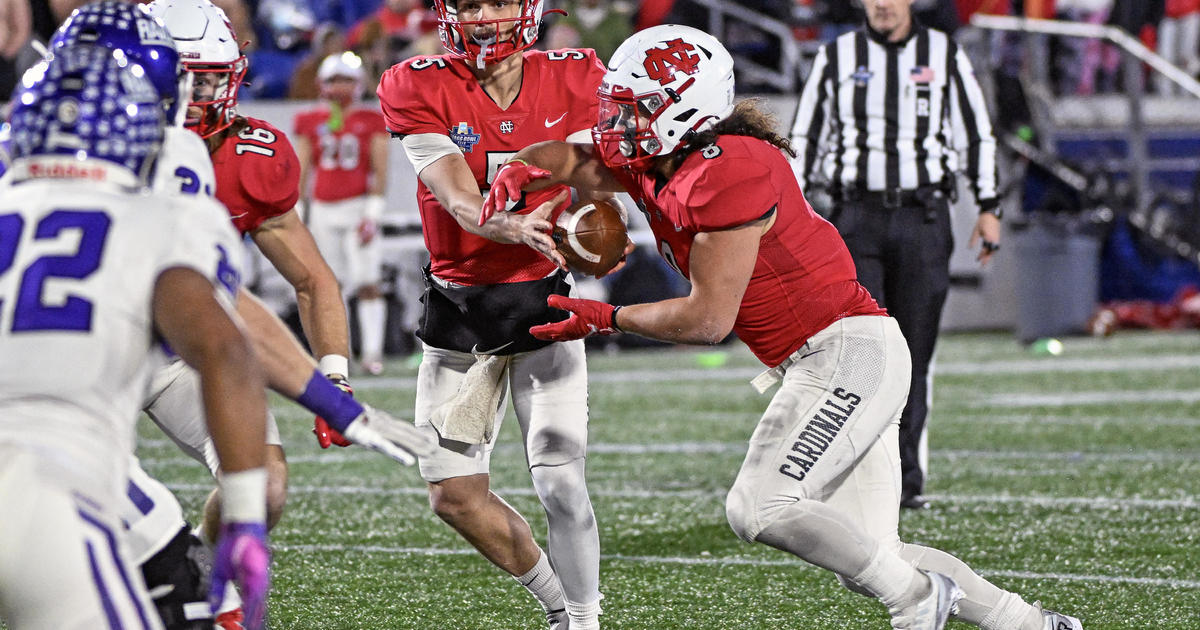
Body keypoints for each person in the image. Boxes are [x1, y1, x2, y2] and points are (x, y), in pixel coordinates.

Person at [484, 23, 1083, 630]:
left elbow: (707, 319)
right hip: (836, 354)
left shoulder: (729, 168)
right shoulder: (660, 155)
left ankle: (917, 602)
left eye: (637, 110)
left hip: (846, 353)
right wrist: (522, 168)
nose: (621, 125)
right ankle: (1031, 624)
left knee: (758, 507)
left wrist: (605, 317)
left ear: (687, 109)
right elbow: (575, 155)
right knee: (877, 556)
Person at [0, 44, 270, 630]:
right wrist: (246, 517)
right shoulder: (157, 216)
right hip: (46, 477)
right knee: (179, 591)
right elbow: (226, 350)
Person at [374, 0, 616, 627]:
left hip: (542, 302)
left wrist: (591, 222)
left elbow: (604, 173)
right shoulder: (416, 82)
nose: (485, 16)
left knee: (561, 481)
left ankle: (585, 620)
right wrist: (509, 223)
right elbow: (457, 198)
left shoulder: (577, 73)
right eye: (470, 2)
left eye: (499, 0)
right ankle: (560, 605)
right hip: (458, 304)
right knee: (453, 496)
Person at [788, 0, 1001, 510]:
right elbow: (805, 135)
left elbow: (975, 132)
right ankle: (849, 475)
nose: (882, 3)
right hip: (855, 218)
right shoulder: (837, 55)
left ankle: (905, 481)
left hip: (923, 217)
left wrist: (989, 205)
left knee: (916, 351)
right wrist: (792, 215)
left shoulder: (942, 52)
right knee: (859, 351)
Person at [294, 51, 391, 376]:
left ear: (359, 83)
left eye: (346, 79)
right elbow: (302, 172)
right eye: (334, 80)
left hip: (357, 207)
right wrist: (297, 214)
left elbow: (380, 171)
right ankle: (338, 354)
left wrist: (373, 214)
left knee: (367, 282)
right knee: (330, 286)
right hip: (323, 209)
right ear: (322, 83)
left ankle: (373, 354)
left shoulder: (371, 119)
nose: (339, 87)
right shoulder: (310, 121)